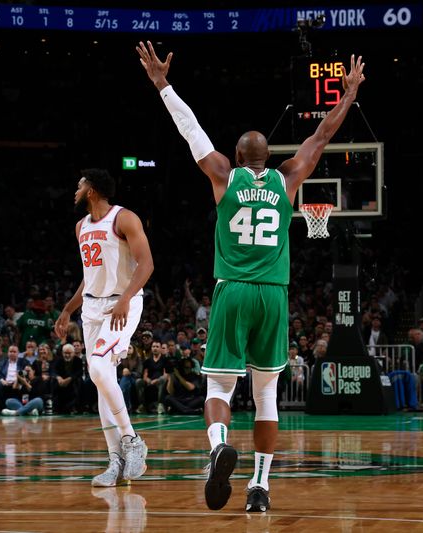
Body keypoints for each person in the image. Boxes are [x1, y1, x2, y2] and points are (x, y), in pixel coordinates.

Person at [138, 41, 365, 512]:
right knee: (267, 397)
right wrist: (348, 94)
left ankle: (219, 446)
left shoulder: (223, 174)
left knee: (218, 388)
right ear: (268, 156)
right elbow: (322, 136)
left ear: (239, 158)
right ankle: (259, 489)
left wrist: (162, 83)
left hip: (233, 289)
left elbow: (191, 129)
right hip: (273, 295)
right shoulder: (287, 179)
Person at [54, 168, 154, 487]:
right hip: (93, 307)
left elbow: (147, 263)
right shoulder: (80, 226)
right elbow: (90, 276)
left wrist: (125, 298)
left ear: (93, 190)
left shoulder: (124, 218)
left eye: (80, 185)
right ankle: (116, 461)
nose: (76, 189)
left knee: (98, 368)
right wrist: (68, 310)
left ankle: (132, 440)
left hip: (120, 304)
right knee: (101, 382)